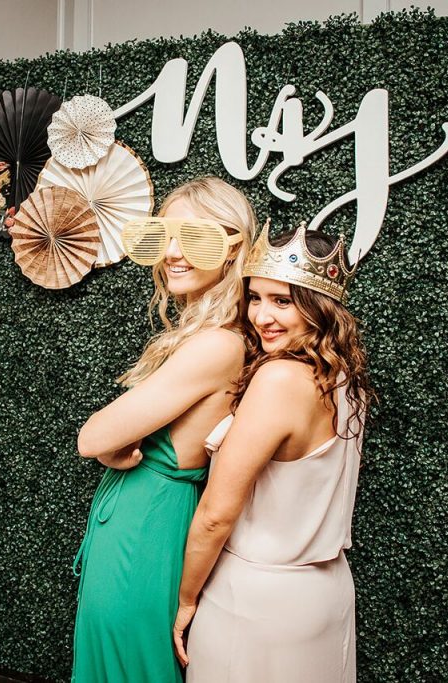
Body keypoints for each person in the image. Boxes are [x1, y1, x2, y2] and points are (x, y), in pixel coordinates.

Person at [71, 177, 256, 683]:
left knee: (131, 664)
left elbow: (92, 437)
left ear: (233, 247)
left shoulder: (217, 344)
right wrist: (111, 447)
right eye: (164, 236)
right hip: (137, 516)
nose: (171, 253)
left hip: (146, 528)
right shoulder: (205, 334)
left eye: (192, 237)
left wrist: (109, 447)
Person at [174, 222, 373, 682]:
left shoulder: (280, 379)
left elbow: (215, 516)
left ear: (319, 308)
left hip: (257, 601)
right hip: (325, 592)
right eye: (256, 298)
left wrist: (186, 600)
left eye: (283, 301)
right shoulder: (344, 378)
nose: (262, 316)